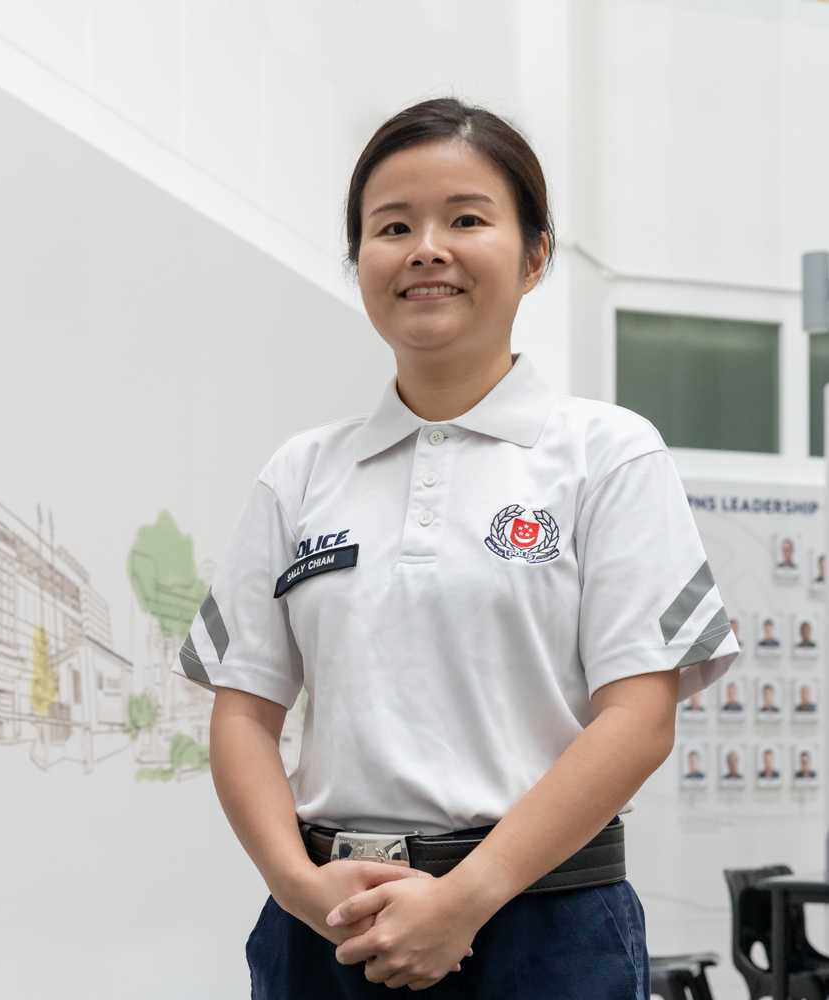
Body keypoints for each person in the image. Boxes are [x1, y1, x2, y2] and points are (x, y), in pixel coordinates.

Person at [180, 98, 738, 998]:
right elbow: (244, 711)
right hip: (328, 927)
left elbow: (640, 716)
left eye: (467, 219)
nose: (426, 248)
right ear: (360, 259)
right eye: (392, 226)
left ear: (535, 255)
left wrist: (465, 899)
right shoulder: (300, 473)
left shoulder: (607, 453)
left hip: (542, 927)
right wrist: (298, 888)